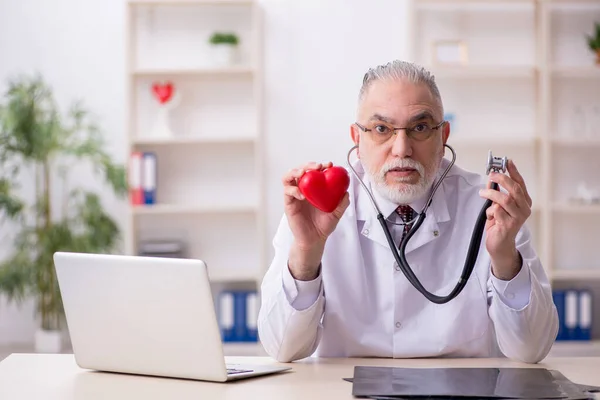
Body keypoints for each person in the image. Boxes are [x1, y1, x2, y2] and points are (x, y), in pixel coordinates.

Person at [257, 60, 559, 364]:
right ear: (356, 138)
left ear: (443, 136)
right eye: (380, 129)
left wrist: (505, 256)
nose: (401, 148)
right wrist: (306, 253)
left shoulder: (490, 208)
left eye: (420, 127)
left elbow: (530, 350)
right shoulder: (315, 207)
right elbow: (283, 347)